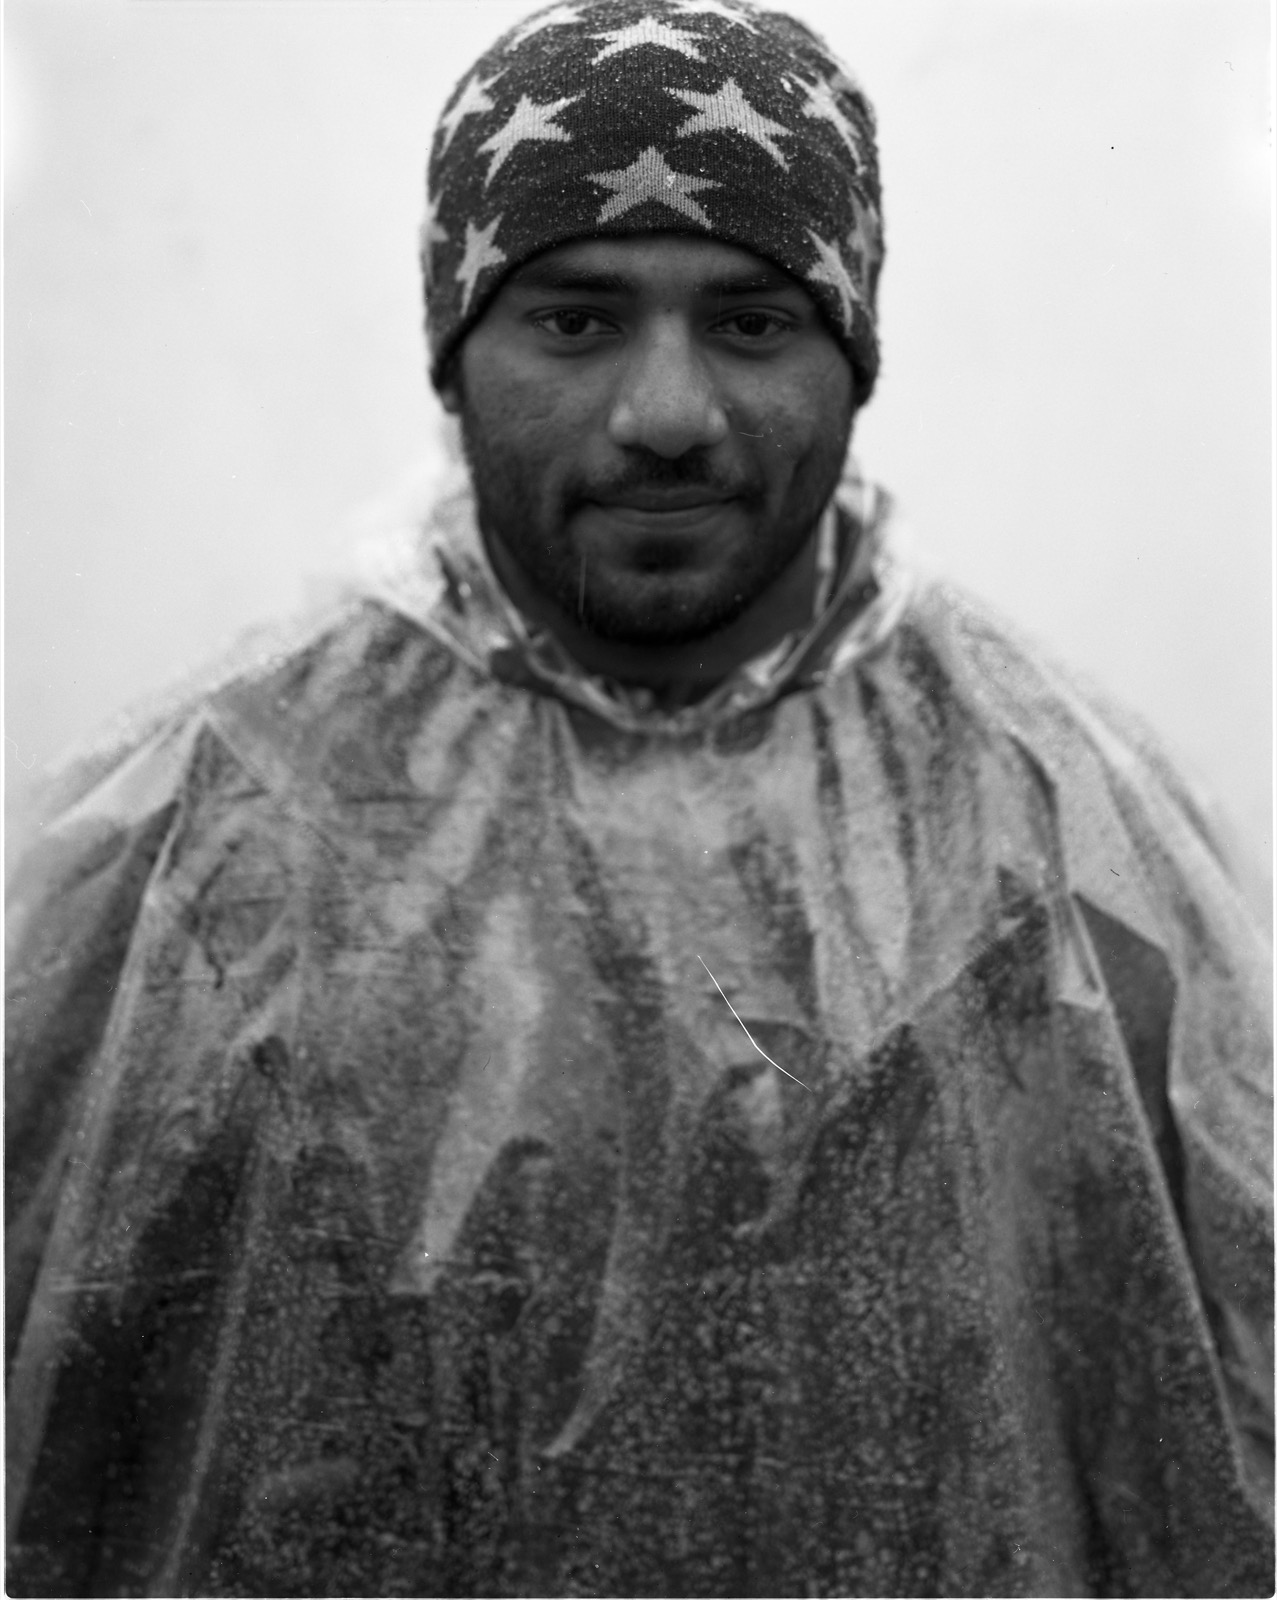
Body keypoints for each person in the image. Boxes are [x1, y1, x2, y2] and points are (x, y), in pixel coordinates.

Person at [5, 1, 1271, 1594]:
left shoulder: (1070, 838)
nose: (665, 413)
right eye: (577, 318)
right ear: (454, 358)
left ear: (854, 358)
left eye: (750, 321)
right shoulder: (199, 830)